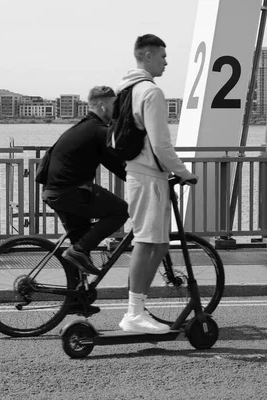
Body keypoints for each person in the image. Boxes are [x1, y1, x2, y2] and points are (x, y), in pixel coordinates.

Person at [116, 34, 198, 334]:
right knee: (146, 242)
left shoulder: (126, 89)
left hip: (141, 174)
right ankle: (133, 313)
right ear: (148, 56)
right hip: (149, 176)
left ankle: (137, 308)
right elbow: (161, 144)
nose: (166, 61)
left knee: (160, 243)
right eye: (163, 55)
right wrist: (184, 172)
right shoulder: (151, 92)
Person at [42, 86, 129, 313]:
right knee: (120, 211)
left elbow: (116, 165)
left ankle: (75, 299)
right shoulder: (99, 130)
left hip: (55, 192)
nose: (116, 110)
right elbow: (124, 157)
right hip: (69, 192)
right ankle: (79, 250)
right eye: (113, 105)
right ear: (102, 106)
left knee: (78, 244)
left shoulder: (86, 128)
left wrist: (134, 178)